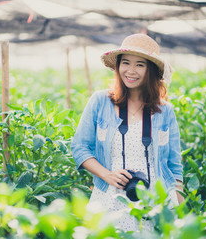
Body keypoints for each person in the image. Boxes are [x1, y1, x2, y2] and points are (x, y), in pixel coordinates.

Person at [71, 33, 184, 231]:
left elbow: (174, 165)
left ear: (151, 70)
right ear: (118, 66)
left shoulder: (165, 111)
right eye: (126, 63)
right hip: (108, 198)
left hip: (154, 201)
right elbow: (80, 148)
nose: (131, 71)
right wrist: (107, 175)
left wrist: (179, 212)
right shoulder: (100, 101)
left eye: (140, 64)